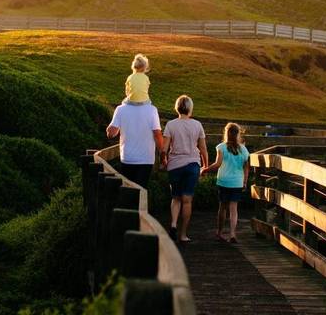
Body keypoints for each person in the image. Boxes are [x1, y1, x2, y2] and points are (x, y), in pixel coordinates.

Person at [161, 95, 208, 243]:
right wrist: (205, 166)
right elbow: (203, 149)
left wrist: (164, 161)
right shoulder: (197, 125)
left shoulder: (171, 125)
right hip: (192, 165)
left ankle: (173, 224)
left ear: (177, 108)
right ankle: (182, 235)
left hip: (174, 165)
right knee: (187, 200)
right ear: (190, 108)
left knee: (175, 198)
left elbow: (164, 149)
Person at [201, 123, 249, 244]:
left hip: (224, 181)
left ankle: (219, 232)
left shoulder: (221, 147)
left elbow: (217, 164)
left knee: (222, 207)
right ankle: (233, 234)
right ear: (238, 134)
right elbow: (246, 167)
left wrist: (205, 170)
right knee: (234, 209)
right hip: (237, 182)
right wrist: (245, 181)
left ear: (226, 133)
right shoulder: (243, 149)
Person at [105, 100, 162, 189]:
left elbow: (111, 134)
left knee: (127, 189)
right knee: (141, 190)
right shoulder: (152, 110)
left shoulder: (120, 109)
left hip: (127, 158)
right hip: (146, 159)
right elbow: (157, 134)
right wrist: (162, 152)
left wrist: (110, 129)